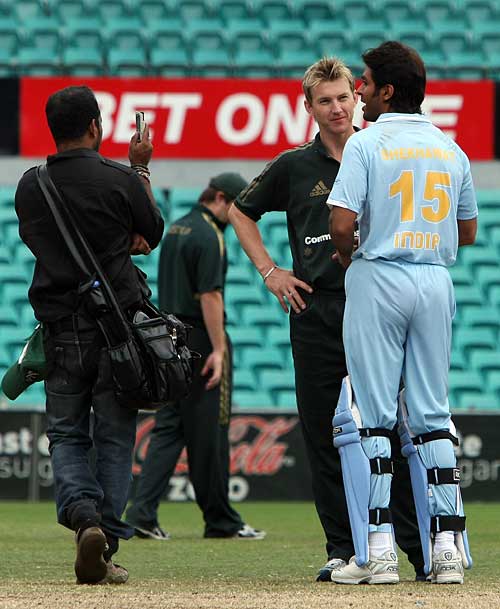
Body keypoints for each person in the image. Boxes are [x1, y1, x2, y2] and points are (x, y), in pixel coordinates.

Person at [228, 57, 424, 581]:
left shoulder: (383, 149)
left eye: (343, 97)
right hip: (316, 312)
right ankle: (344, 551)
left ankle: (418, 552)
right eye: (325, 100)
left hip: (377, 306)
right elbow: (239, 212)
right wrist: (271, 272)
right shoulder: (294, 165)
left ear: (358, 97)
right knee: (322, 435)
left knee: (391, 432)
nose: (337, 108)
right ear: (308, 106)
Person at [327, 41, 477, 585]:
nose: (359, 91)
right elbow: (467, 231)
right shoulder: (450, 148)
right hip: (434, 279)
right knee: (433, 414)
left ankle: (380, 550)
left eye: (364, 82)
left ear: (387, 91)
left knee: (373, 415)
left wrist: (352, 258)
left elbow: (341, 227)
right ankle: (446, 551)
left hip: (380, 272)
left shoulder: (366, 146)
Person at [14, 85, 164, 584]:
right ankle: (106, 545)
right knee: (115, 436)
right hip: (117, 328)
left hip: (60, 329)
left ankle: (84, 519)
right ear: (96, 127)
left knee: (65, 433)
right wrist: (140, 169)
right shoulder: (120, 179)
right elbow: (152, 229)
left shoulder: (30, 186)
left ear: (52, 129)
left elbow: (38, 240)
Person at [125, 173, 266, 541]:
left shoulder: (177, 229)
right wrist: (219, 350)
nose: (238, 216)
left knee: (169, 428)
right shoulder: (210, 236)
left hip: (169, 340)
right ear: (221, 198)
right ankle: (221, 521)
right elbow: (210, 297)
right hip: (201, 340)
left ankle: (141, 512)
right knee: (211, 433)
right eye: (236, 207)